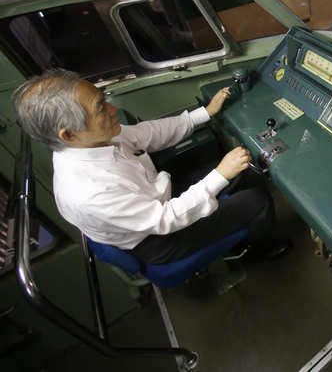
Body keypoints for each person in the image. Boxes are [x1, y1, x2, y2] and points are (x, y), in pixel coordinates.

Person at [13, 68, 288, 264]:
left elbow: (148, 133)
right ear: (69, 134)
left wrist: (203, 114)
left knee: (244, 172)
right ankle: (251, 250)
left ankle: (235, 223)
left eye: (103, 99)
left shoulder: (94, 139)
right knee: (256, 199)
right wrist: (220, 174)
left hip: (157, 197)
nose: (111, 109)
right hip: (157, 237)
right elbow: (165, 220)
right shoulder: (88, 191)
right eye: (100, 107)